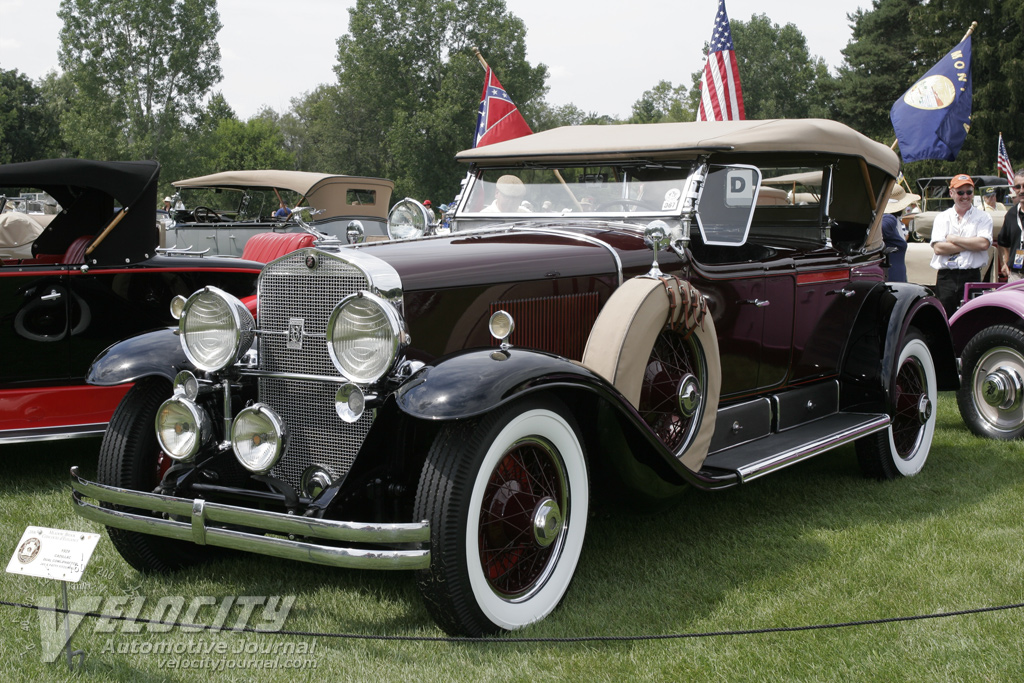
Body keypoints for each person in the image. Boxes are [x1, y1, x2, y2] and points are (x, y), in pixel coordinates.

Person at [929, 173, 993, 316]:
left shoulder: (983, 217)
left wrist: (953, 239)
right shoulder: (942, 217)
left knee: (973, 317)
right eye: (960, 192)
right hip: (947, 277)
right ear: (951, 193)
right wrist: (971, 243)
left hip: (972, 275)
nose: (965, 196)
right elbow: (939, 248)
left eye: (969, 192)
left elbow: (983, 244)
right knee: (944, 317)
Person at [881, 184, 918, 282]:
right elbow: (879, 231)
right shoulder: (889, 219)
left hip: (893, 276)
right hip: (891, 278)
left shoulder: (893, 220)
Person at [997, 171, 1024, 282]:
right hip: (1015, 275)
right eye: (1017, 187)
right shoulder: (1011, 214)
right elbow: (1003, 242)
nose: (1021, 190)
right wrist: (1005, 261)